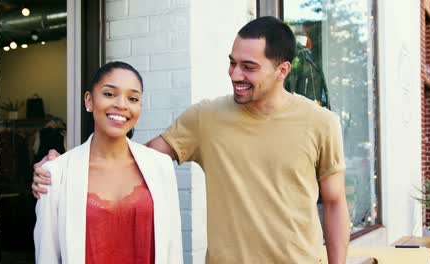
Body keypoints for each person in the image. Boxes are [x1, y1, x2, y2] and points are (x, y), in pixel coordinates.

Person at [33, 17, 349, 263]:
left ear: (282, 70)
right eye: (232, 62)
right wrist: (62, 170)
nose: (235, 74)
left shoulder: (320, 122)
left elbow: (334, 203)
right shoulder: (206, 118)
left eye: (248, 67)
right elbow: (132, 159)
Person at [33, 61, 183, 264]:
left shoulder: (160, 166)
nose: (121, 104)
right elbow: (47, 255)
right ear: (89, 101)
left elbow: (172, 248)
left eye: (132, 98)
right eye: (109, 94)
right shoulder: (57, 173)